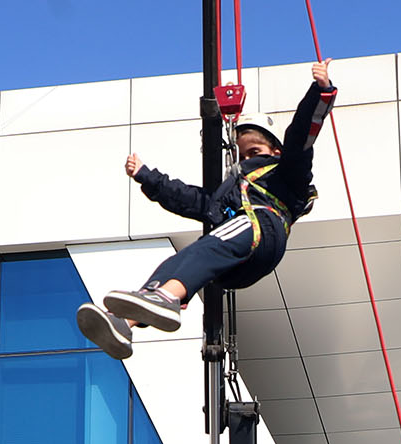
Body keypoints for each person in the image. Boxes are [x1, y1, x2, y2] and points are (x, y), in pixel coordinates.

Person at [76, 59, 337, 360]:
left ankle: (167, 297)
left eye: (255, 152)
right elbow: (190, 199)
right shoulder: (229, 195)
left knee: (213, 242)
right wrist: (146, 176)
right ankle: (123, 322)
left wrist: (320, 93)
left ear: (274, 153)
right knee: (183, 259)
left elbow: (300, 137)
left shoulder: (284, 173)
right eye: (241, 154)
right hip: (236, 262)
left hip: (262, 227)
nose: (245, 159)